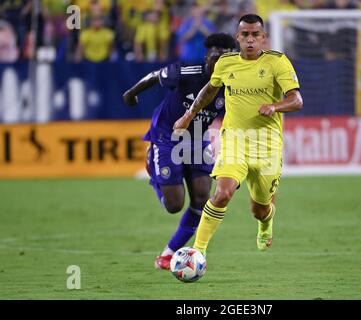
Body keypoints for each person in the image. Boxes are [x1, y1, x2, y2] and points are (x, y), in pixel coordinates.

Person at [173, 14, 303, 257]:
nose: (250, 39)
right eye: (245, 35)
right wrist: (188, 116)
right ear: (238, 38)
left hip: (267, 146)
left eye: (256, 34)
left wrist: (275, 106)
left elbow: (296, 100)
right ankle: (197, 252)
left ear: (264, 38)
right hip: (234, 141)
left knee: (260, 209)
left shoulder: (278, 62)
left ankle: (266, 222)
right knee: (222, 193)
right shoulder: (226, 63)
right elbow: (209, 90)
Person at [122, 33, 237, 270]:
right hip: (167, 138)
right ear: (207, 56)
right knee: (174, 205)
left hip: (198, 141)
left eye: (225, 54)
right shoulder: (187, 71)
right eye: (215, 52)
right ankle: (153, 170)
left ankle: (168, 254)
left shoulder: (234, 84)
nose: (219, 57)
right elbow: (155, 76)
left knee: (202, 198)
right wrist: (132, 92)